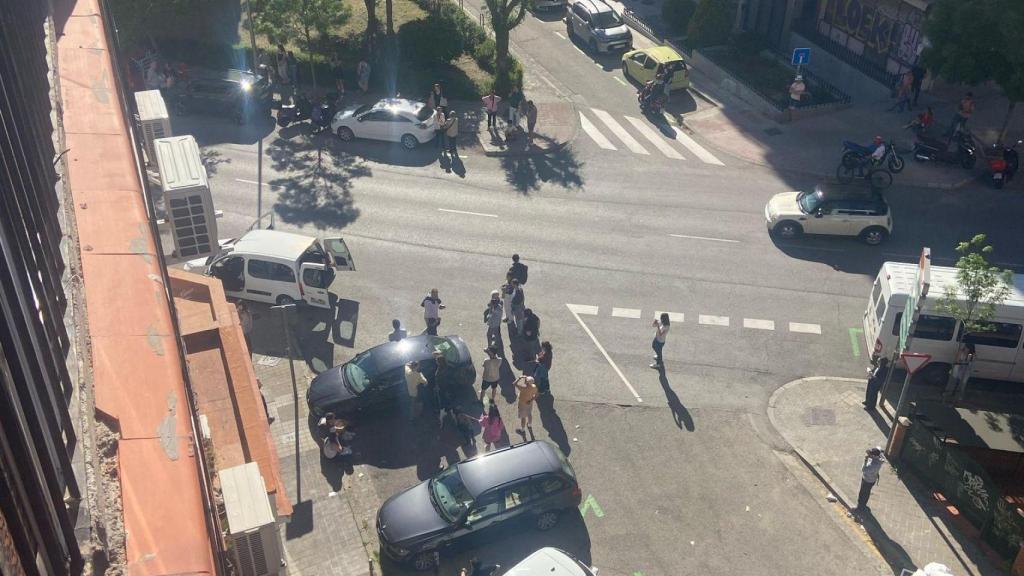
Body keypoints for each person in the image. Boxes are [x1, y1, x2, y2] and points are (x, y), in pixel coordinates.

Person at [854, 447, 885, 514]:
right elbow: (879, 449)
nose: (869, 455)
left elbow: (863, 469)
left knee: (863, 493)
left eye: (871, 454)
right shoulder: (879, 457)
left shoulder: (873, 465)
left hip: (867, 480)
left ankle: (860, 506)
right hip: (872, 479)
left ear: (874, 456)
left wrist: (866, 460)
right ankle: (863, 505)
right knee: (867, 492)